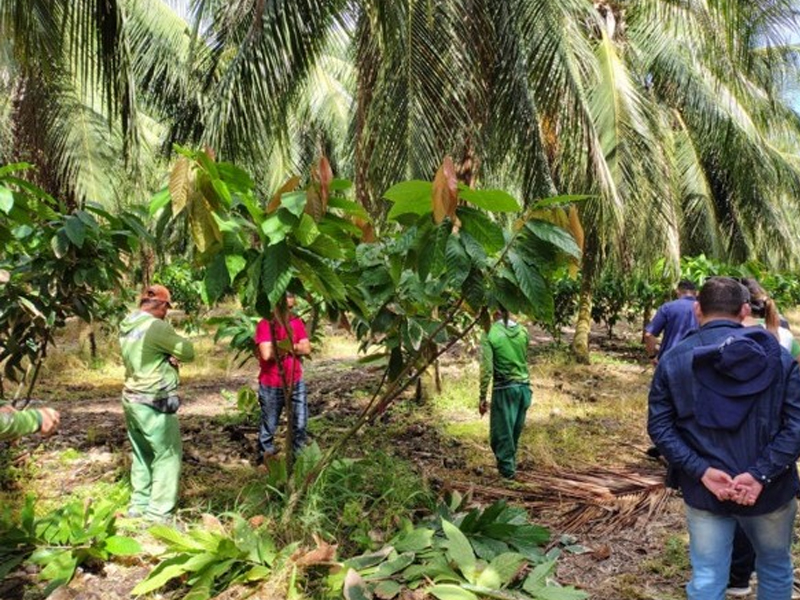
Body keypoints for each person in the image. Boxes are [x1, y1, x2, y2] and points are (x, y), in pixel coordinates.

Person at [648, 277, 800, 600]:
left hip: (706, 492)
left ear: (697, 309)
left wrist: (701, 471)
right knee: (774, 568)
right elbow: (796, 426)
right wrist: (760, 474)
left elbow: (660, 427)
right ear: (745, 310)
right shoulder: (780, 359)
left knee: (706, 578)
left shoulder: (673, 360)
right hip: (770, 492)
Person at [119, 284, 194, 521]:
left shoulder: (128, 324)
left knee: (142, 453)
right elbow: (188, 351)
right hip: (154, 398)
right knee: (167, 455)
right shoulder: (156, 326)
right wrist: (173, 353)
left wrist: (165, 354)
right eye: (166, 308)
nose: (166, 313)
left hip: (132, 397)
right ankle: (158, 514)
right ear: (161, 305)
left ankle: (139, 505)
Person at [254, 292, 311, 464]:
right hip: (272, 383)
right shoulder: (265, 324)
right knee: (269, 426)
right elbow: (266, 354)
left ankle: (298, 461)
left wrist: (282, 346)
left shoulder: (297, 322)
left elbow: (307, 348)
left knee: (300, 424)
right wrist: (294, 347)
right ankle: (266, 460)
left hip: (295, 380)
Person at [478, 308, 531, 479]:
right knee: (513, 433)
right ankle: (509, 468)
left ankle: (507, 476)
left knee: (501, 434)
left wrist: (482, 396)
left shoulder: (489, 333)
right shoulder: (523, 332)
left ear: (494, 312)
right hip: (524, 389)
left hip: (504, 389)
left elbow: (486, 368)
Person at [644, 279, 698, 364]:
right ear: (695, 293)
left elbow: (648, 335)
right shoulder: (705, 309)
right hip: (695, 361)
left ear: (677, 292)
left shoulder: (667, 308)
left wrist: (652, 356)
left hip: (669, 361)